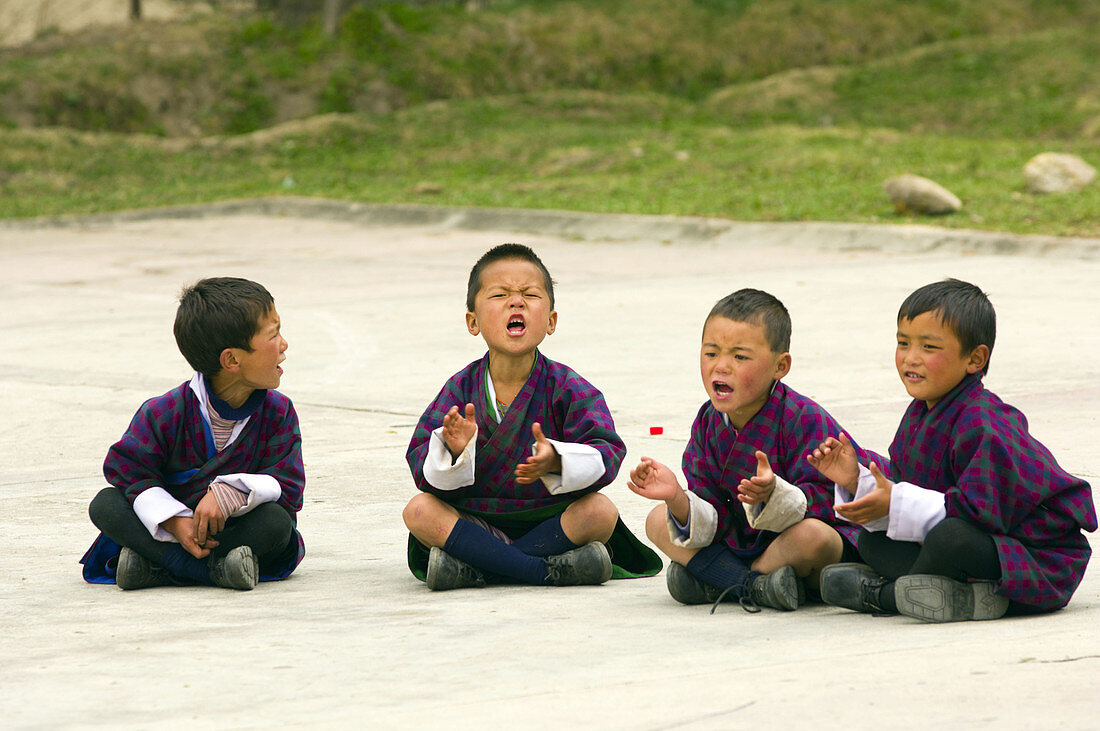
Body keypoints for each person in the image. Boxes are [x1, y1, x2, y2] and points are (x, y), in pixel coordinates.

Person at [810, 279, 1096, 622]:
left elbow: (980, 514)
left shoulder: (984, 422)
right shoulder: (920, 413)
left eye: (929, 347)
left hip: (1032, 558)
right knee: (873, 540)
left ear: (975, 359)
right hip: (973, 548)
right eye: (903, 343)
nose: (910, 358)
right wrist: (857, 481)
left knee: (950, 539)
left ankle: (887, 596)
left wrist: (897, 502)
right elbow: (908, 490)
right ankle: (964, 597)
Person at [403, 244, 660, 590]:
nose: (516, 301)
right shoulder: (460, 389)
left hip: (552, 523)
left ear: (551, 321)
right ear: (473, 322)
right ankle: (544, 570)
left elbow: (607, 452)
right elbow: (421, 464)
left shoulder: (566, 387)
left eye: (530, 294)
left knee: (600, 512)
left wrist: (557, 461)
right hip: (475, 521)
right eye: (499, 294)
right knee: (419, 511)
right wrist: (454, 451)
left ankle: (479, 568)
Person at [627, 289, 869, 612]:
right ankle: (755, 586)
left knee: (814, 538)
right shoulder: (707, 422)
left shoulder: (801, 417)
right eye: (711, 353)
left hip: (787, 545)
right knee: (657, 520)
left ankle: (718, 580)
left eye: (740, 357)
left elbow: (833, 499)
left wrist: (775, 496)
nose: (721, 367)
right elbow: (710, 514)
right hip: (737, 543)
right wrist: (677, 499)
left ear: (780, 366)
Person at [80, 277, 305, 591]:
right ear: (232, 360)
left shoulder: (277, 412)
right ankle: (213, 571)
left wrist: (233, 492)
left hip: (231, 531)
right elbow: (127, 471)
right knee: (106, 504)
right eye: (274, 334)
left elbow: (289, 484)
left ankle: (157, 565)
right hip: (173, 531)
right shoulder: (164, 412)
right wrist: (173, 520)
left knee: (276, 523)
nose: (284, 344)